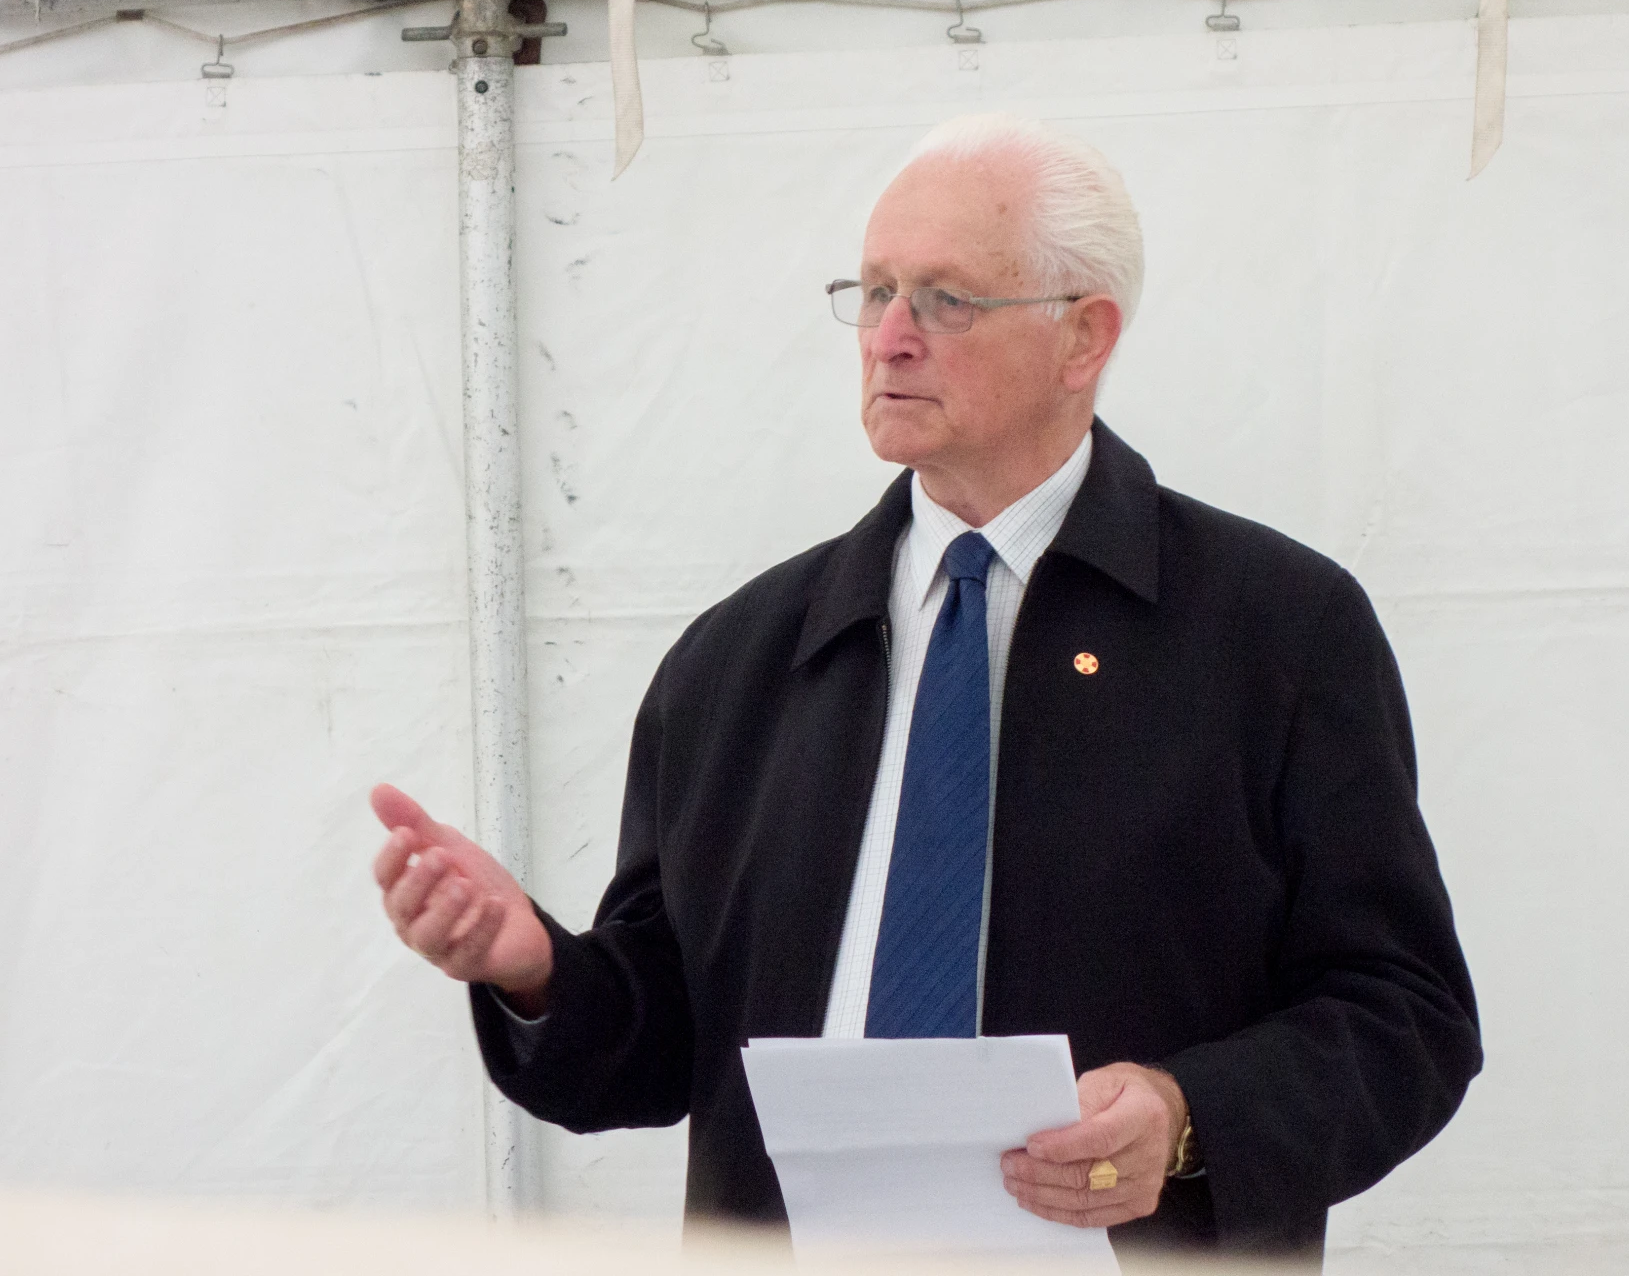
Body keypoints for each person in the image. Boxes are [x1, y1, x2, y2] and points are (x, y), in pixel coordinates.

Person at [369, 113, 1481, 1258]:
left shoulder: (1276, 631)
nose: (889, 337)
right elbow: (660, 1046)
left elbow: (1406, 1016)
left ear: (1082, 337)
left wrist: (1187, 1117)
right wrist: (534, 967)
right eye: (875, 290)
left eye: (945, 299)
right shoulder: (736, 662)